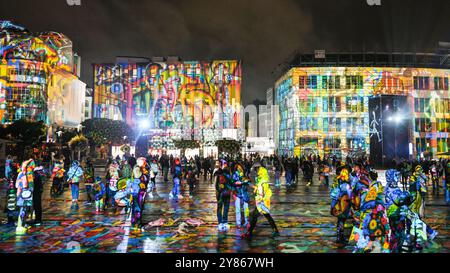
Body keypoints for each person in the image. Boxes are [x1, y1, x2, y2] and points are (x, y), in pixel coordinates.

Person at [242, 160, 279, 238]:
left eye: (256, 169)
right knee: (263, 216)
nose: (255, 171)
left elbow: (263, 190)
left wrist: (259, 197)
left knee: (259, 216)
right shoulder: (261, 178)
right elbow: (259, 187)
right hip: (261, 201)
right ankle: (275, 230)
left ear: (258, 169)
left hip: (262, 201)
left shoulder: (263, 180)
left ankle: (249, 233)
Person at [329, 168, 353, 245]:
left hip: (338, 205)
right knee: (342, 221)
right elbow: (350, 196)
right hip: (344, 206)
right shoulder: (346, 185)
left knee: (340, 220)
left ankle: (339, 236)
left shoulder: (337, 182)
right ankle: (340, 237)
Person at [15, 159, 35, 234]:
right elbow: (25, 185)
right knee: (23, 209)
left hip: (24, 194)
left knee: (24, 209)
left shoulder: (25, 173)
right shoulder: (25, 173)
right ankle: (20, 225)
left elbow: (17, 185)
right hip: (25, 194)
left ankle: (23, 223)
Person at [215, 160, 232, 231]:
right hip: (226, 194)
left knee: (220, 208)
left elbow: (216, 185)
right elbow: (231, 183)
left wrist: (217, 192)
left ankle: (220, 223)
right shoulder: (228, 174)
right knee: (225, 208)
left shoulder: (218, 174)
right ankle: (224, 222)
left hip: (221, 194)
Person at [232, 163, 250, 229]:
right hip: (237, 193)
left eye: (241, 168)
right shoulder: (234, 175)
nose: (240, 169)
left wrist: (246, 181)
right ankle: (238, 223)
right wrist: (233, 193)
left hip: (244, 193)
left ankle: (247, 221)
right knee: (238, 209)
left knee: (246, 208)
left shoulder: (244, 175)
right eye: (238, 168)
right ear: (236, 169)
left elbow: (248, 181)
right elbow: (232, 183)